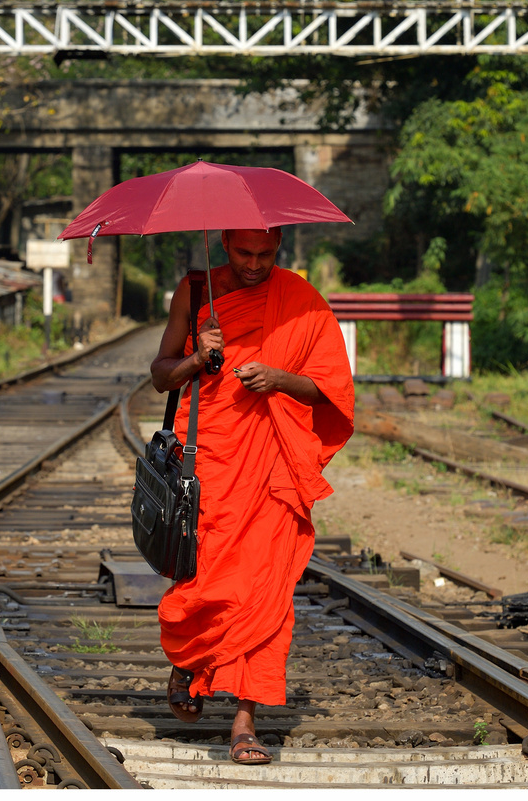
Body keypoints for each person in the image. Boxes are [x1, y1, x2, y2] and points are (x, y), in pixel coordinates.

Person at [150, 227, 354, 764]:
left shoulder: (302, 301)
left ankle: (245, 722)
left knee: (267, 592)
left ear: (280, 247)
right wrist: (198, 358)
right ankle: (190, 663)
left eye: (266, 254)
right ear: (223, 244)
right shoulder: (194, 293)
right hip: (211, 467)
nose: (254, 264)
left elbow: (331, 389)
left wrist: (282, 378)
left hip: (273, 470)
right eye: (244, 253)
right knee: (204, 581)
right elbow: (160, 374)